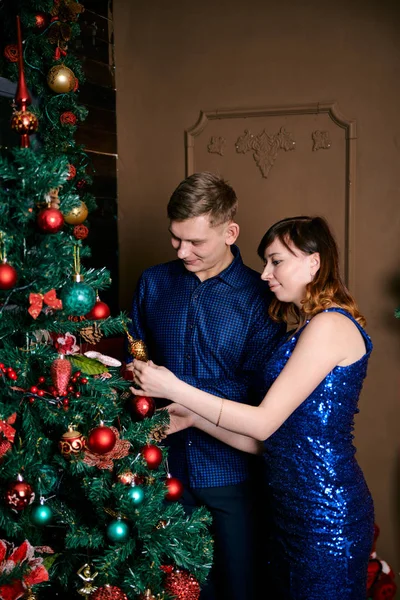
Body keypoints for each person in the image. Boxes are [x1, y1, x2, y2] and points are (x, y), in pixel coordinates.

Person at [130, 215, 375, 600]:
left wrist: (175, 386)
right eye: (265, 262)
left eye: (277, 261)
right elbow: (267, 442)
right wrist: (194, 417)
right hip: (289, 509)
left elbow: (262, 423)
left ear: (313, 262)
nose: (265, 274)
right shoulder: (308, 327)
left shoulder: (330, 325)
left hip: (324, 514)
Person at [126, 172, 284, 600]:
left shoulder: (261, 297)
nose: (182, 251)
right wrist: (129, 373)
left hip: (232, 472)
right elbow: (136, 358)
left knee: (241, 588)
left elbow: (258, 392)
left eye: (195, 242)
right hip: (161, 471)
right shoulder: (153, 283)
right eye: (176, 239)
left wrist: (176, 387)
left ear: (230, 232)